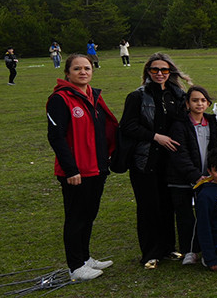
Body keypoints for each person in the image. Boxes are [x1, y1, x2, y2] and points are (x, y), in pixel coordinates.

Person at [47, 54, 118, 280]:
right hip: (76, 171)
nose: (83, 72)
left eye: (86, 68)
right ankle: (75, 266)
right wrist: (71, 170)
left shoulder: (92, 96)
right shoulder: (60, 99)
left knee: (89, 215)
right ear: (67, 73)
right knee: (76, 217)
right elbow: (56, 137)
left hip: (97, 167)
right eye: (77, 68)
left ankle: (86, 257)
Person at [119, 53, 188, 269]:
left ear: (170, 72)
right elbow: (127, 126)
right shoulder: (137, 96)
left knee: (168, 205)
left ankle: (168, 248)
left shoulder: (177, 95)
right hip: (145, 160)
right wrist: (155, 136)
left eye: (164, 70)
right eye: (155, 70)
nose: (159, 74)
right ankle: (150, 253)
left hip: (170, 161)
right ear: (148, 71)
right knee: (148, 207)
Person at [167, 86, 217, 264]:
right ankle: (189, 250)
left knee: (205, 214)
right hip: (182, 179)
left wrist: (214, 172)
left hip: (206, 177)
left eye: (202, 100)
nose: (199, 104)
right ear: (187, 103)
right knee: (185, 216)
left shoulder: (212, 122)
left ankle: (207, 248)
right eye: (195, 100)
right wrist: (194, 175)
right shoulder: (179, 125)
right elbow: (179, 153)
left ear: (208, 103)